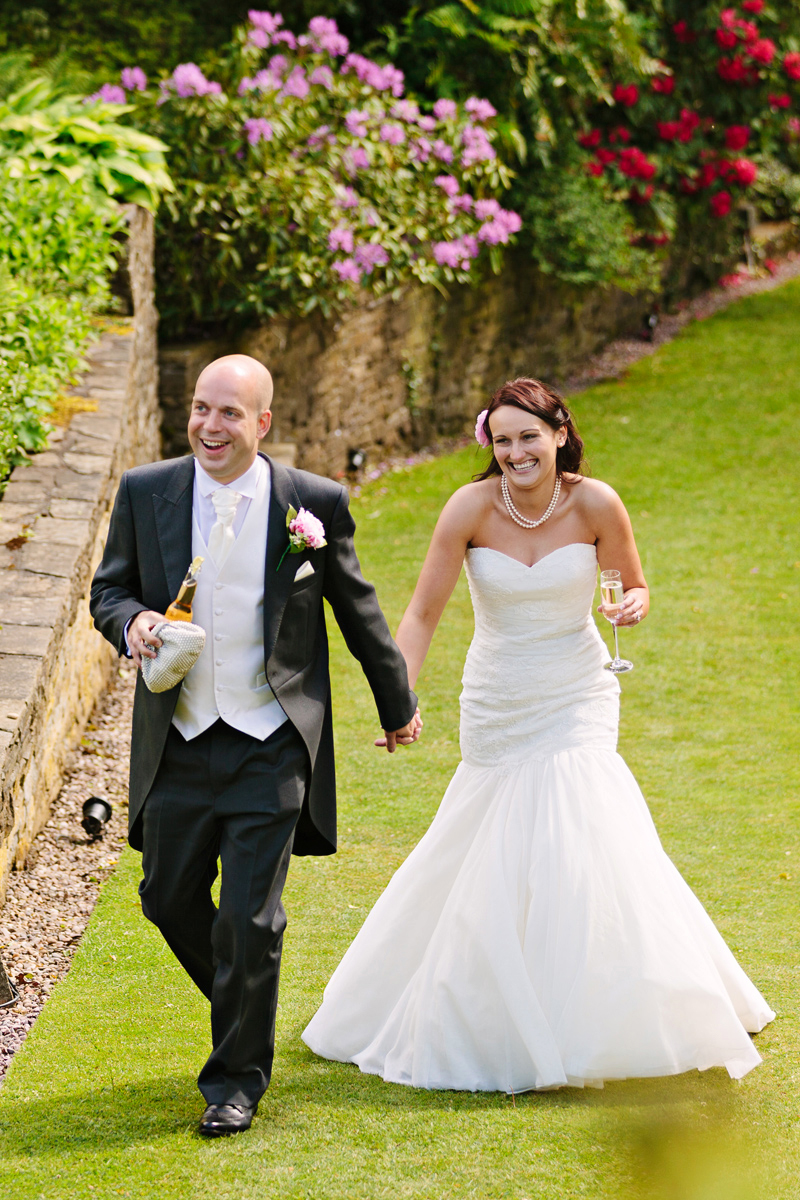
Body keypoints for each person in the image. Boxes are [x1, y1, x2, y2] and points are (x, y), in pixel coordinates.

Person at [302, 376, 774, 1092]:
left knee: (584, 824)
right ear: (489, 444)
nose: (517, 452)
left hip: (579, 690)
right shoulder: (468, 507)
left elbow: (632, 583)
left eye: (530, 436)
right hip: (498, 698)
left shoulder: (595, 502)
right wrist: (397, 697)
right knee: (487, 839)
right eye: (504, 440)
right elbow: (424, 613)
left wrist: (635, 605)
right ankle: (483, 1006)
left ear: (558, 434)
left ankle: (615, 1006)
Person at [90, 354, 420, 1135]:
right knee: (166, 899)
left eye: (230, 413)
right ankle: (250, 1008)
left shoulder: (310, 504)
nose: (210, 425)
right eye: (202, 409)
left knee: (249, 920)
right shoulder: (147, 491)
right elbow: (110, 589)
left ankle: (234, 1083)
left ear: (262, 421)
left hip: (270, 741)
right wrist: (133, 623)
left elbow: (356, 608)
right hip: (178, 737)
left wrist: (396, 701)